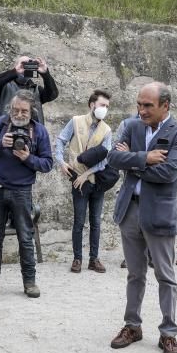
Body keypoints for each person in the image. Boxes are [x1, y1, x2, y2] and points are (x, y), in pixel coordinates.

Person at [107, 82, 177, 353]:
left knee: (165, 275)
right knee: (134, 274)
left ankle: (168, 332)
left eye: (147, 106)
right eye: (139, 104)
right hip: (130, 211)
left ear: (165, 105)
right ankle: (132, 326)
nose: (141, 110)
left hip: (159, 213)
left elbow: (169, 172)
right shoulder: (132, 126)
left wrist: (132, 164)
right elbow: (112, 158)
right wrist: (145, 158)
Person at [0, 90, 53, 299]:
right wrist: (1, 143)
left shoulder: (39, 131)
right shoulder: (1, 124)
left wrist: (28, 158)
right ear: (10, 109)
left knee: (26, 238)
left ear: (31, 111)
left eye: (23, 110)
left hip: (22, 192)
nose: (19, 114)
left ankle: (29, 282)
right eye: (15, 110)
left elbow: (47, 163)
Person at [54, 89, 114, 274]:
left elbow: (105, 158)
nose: (104, 109)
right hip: (77, 180)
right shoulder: (76, 121)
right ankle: (77, 259)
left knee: (96, 221)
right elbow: (61, 140)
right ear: (92, 105)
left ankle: (93, 259)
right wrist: (61, 161)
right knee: (79, 221)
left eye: (107, 106)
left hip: (96, 180)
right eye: (102, 105)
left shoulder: (107, 130)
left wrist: (86, 174)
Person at [0, 55, 59, 124]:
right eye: (23, 64)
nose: (25, 68)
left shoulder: (35, 90)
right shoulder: (3, 86)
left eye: (29, 65)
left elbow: (53, 94)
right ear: (15, 66)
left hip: (30, 135)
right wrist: (15, 71)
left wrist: (45, 73)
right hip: (4, 134)